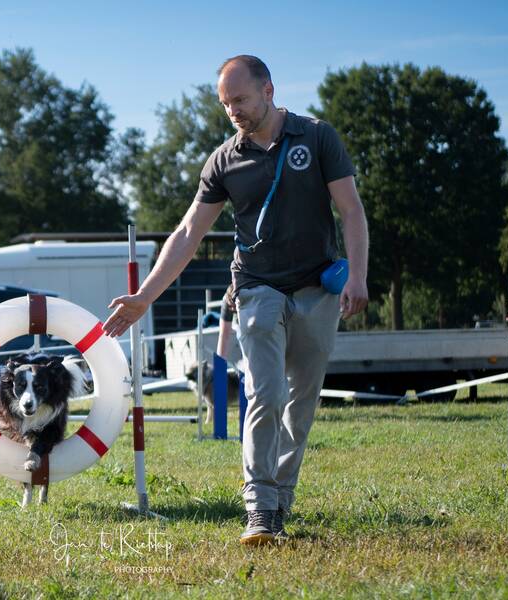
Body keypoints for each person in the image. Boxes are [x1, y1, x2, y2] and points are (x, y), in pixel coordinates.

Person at [103, 55, 369, 545]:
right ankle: (260, 507)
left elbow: (351, 210)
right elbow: (186, 234)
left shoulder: (316, 137)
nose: (234, 112)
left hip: (317, 290)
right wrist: (144, 297)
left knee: (301, 404)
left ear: (269, 90)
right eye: (226, 105)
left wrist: (358, 276)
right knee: (266, 393)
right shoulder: (225, 160)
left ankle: (279, 498)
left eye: (241, 100)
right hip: (256, 289)